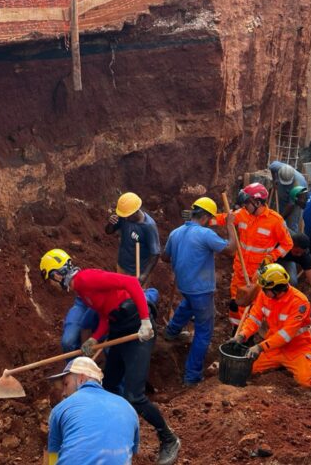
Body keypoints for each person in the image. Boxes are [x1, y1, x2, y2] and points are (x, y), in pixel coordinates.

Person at [40, 249, 180, 465]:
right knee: (111, 386)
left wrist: (145, 321)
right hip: (120, 328)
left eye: (48, 278)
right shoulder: (81, 291)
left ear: (56, 274)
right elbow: (106, 313)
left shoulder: (86, 279)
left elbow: (131, 283)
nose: (50, 285)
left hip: (138, 330)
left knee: (134, 396)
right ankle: (108, 435)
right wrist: (95, 339)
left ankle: (169, 439)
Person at [162, 197, 237, 386]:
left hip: (185, 286)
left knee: (188, 304)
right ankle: (192, 375)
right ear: (204, 216)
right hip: (201, 290)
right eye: (210, 219)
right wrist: (230, 226)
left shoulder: (176, 233)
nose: (210, 223)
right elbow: (230, 250)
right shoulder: (205, 234)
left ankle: (171, 331)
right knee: (204, 332)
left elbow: (164, 257)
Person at [211, 183, 293, 329]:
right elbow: (224, 218)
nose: (244, 206)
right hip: (240, 271)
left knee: (255, 306)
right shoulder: (242, 214)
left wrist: (271, 257)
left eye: (247, 203)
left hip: (258, 274)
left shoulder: (276, 221)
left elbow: (287, 244)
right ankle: (236, 331)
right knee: (236, 303)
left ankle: (249, 334)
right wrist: (203, 218)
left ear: (258, 202)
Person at [230, 263, 311, 387]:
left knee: (306, 382)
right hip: (273, 347)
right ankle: (279, 365)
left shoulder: (300, 303)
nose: (263, 291)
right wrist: (242, 335)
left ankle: (292, 366)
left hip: (297, 349)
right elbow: (254, 319)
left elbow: (286, 335)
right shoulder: (264, 295)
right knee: (248, 369)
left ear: (277, 288)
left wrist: (260, 347)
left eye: (266, 289)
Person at [46, 357, 139, 464]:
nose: (64, 393)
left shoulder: (61, 408)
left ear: (81, 379)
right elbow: (131, 453)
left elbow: (53, 456)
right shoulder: (128, 407)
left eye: (66, 384)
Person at [105, 192, 160, 286]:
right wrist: (110, 224)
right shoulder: (125, 217)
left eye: (127, 216)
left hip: (138, 272)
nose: (125, 218)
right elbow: (109, 231)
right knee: (121, 296)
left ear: (135, 212)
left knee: (135, 300)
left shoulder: (149, 227)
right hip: (121, 267)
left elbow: (155, 254)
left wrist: (143, 276)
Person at [276, 232, 311, 314]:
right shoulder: (279, 241)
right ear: (291, 245)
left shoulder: (304, 255)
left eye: (301, 253)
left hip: (286, 261)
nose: (299, 255)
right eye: (296, 252)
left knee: (291, 281)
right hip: (270, 256)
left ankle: (285, 305)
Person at [268, 161, 308, 232]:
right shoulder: (277, 167)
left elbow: (291, 205)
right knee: (281, 208)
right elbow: (272, 168)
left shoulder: (298, 185)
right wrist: (274, 180)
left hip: (297, 198)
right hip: (283, 189)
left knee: (292, 221)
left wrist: (281, 218)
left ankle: (292, 238)